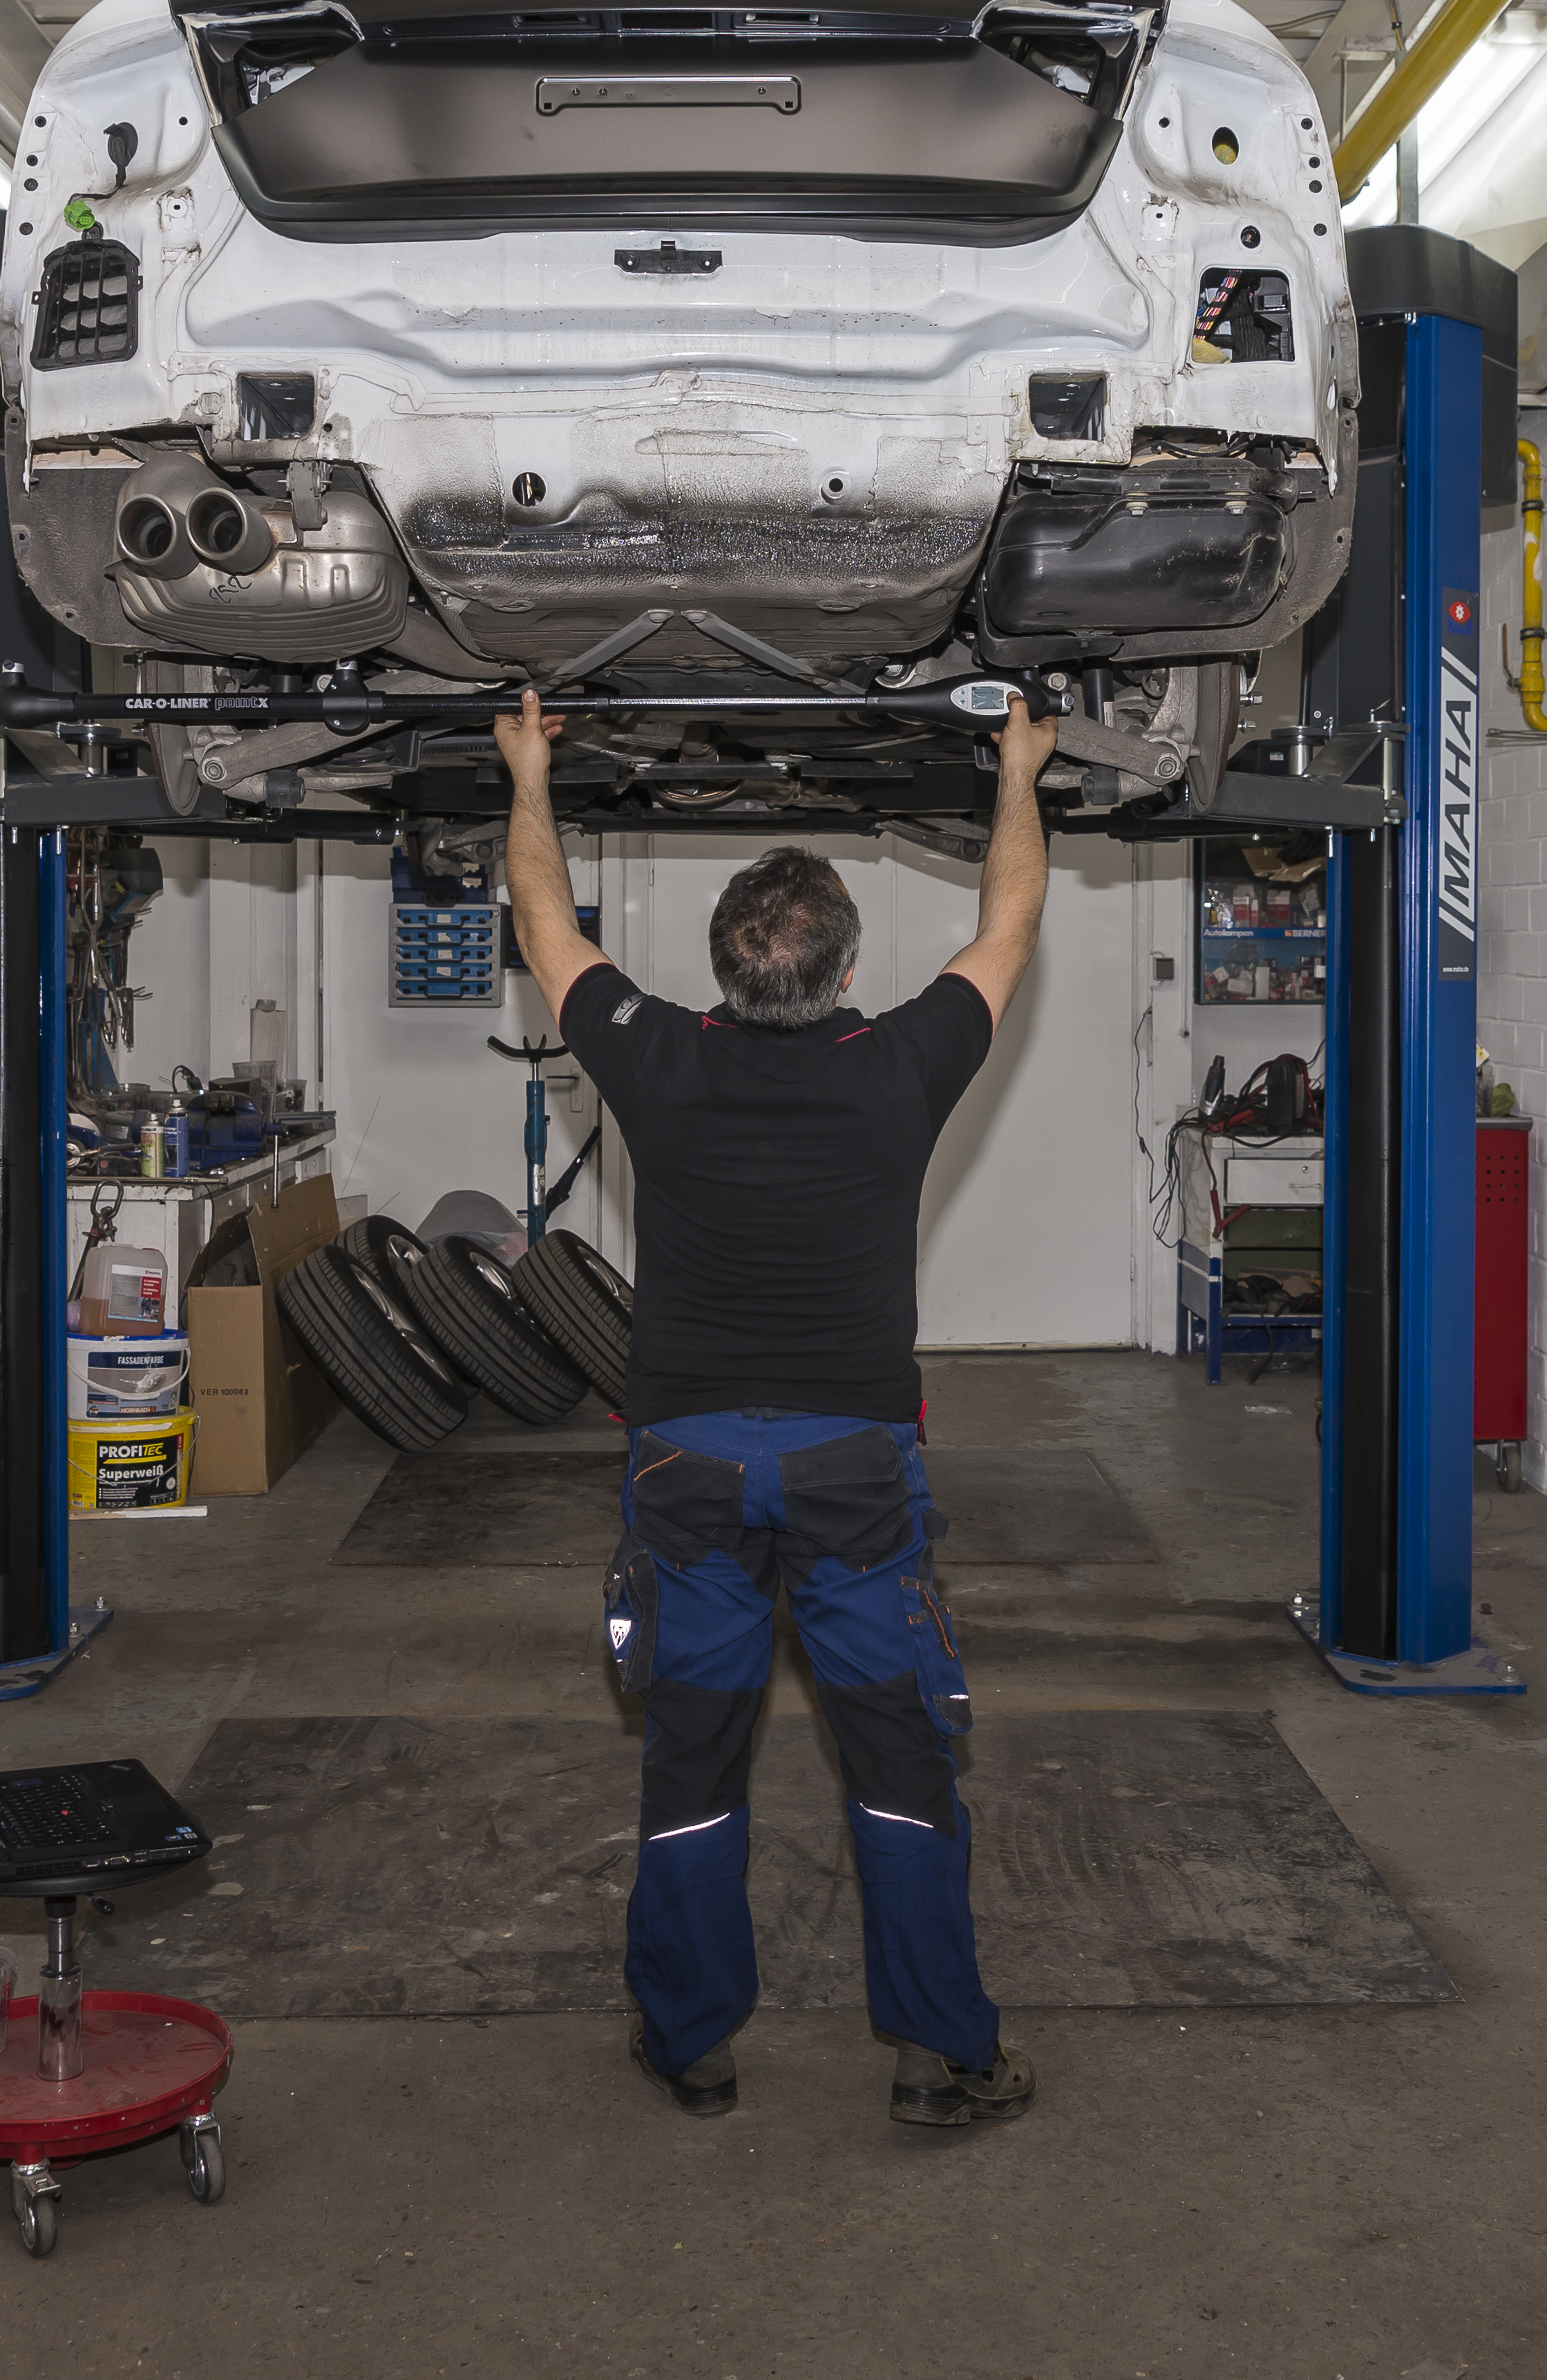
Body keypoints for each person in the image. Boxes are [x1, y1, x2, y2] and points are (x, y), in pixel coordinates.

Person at [493, 687, 1059, 2130]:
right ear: (849, 967)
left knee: (694, 1756)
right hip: (854, 1468)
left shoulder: (654, 1054)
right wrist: (1014, 771)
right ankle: (941, 2051)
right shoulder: (903, 1065)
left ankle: (690, 2040)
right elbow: (1009, 922)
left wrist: (530, 772)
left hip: (685, 1461)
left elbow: (545, 918)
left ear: (719, 970)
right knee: (899, 1758)